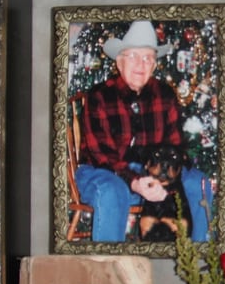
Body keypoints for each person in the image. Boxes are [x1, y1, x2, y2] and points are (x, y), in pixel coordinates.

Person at [75, 20, 185, 242]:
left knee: (197, 183)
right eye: (133, 56)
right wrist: (135, 181)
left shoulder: (164, 94)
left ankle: (197, 257)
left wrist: (163, 178)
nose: (141, 64)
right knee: (113, 191)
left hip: (151, 171)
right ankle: (109, 262)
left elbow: (175, 144)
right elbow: (103, 156)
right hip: (101, 171)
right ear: (119, 61)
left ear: (154, 65)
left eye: (148, 58)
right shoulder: (99, 96)